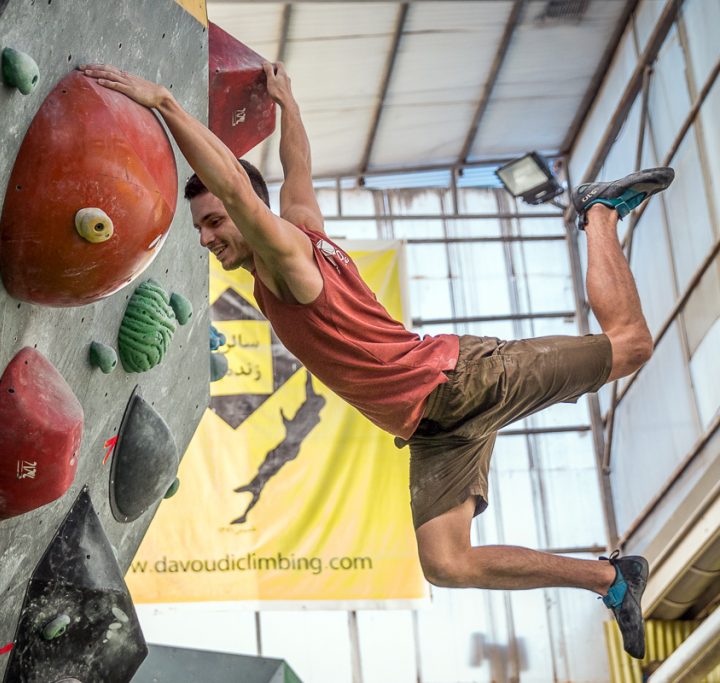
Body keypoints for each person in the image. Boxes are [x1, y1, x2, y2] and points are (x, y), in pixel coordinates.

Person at [80, 61, 674, 660]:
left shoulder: (285, 257)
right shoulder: (303, 228)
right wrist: (288, 104)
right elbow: (299, 170)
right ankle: (613, 579)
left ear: (247, 215)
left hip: (461, 381)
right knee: (446, 562)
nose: (206, 240)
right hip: (434, 426)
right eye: (201, 230)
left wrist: (165, 102)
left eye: (212, 224)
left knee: (631, 346)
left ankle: (598, 211)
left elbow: (235, 185)